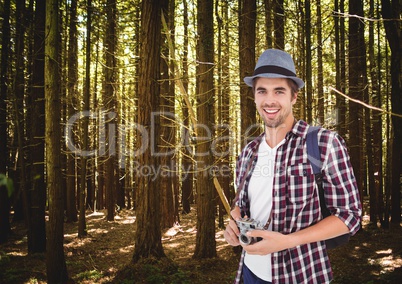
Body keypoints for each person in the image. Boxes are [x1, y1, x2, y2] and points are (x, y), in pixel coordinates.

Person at [224, 49, 362, 284]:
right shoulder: (248, 153)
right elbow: (244, 208)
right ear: (254, 97)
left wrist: (287, 241)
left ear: (294, 96)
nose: (269, 100)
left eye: (279, 91)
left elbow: (350, 216)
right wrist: (234, 227)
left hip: (301, 274)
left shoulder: (323, 143)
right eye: (262, 91)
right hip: (249, 273)